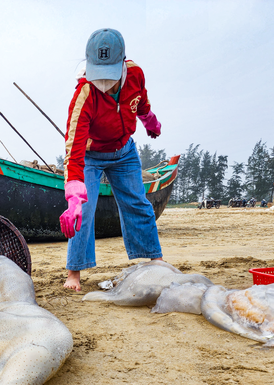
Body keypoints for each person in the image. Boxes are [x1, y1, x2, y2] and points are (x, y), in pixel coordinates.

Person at [60, 28, 163, 291]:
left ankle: (155, 259)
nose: (104, 84)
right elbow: (74, 146)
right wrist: (73, 192)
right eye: (98, 77)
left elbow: (141, 103)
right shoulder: (84, 94)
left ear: (122, 65)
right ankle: (74, 272)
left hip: (124, 152)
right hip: (92, 156)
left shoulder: (136, 74)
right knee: (83, 210)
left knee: (137, 203)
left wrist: (149, 121)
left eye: (110, 77)